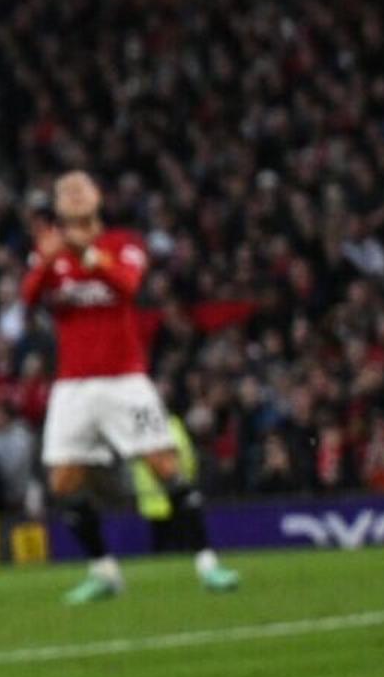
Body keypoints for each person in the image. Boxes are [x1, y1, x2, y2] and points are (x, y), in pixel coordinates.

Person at [22, 172, 239, 601]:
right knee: (63, 481)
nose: (74, 194)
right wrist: (47, 262)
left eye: (82, 187)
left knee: (164, 464)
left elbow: (128, 285)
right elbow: (27, 302)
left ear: (98, 198)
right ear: (59, 206)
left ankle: (208, 563)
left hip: (127, 383)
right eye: (65, 191)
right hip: (74, 388)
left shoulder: (123, 244)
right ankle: (104, 571)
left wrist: (87, 254)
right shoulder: (50, 255)